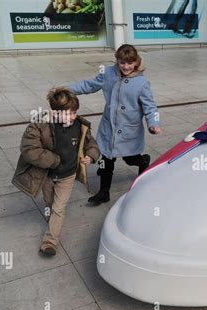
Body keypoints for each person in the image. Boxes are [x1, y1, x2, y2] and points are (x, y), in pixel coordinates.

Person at [68, 44, 162, 206]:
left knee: (130, 158)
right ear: (117, 61)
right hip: (109, 127)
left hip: (128, 130)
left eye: (130, 63)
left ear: (136, 62)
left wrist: (153, 123)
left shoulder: (142, 82)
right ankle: (104, 192)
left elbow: (150, 106)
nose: (126, 66)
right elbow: (89, 85)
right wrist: (66, 89)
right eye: (122, 63)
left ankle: (143, 161)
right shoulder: (108, 73)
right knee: (106, 159)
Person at [12, 87, 100, 256]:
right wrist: (54, 160)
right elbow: (29, 149)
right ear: (55, 112)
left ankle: (50, 241)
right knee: (50, 203)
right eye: (67, 113)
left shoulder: (80, 126)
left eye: (74, 112)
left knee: (58, 208)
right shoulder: (39, 125)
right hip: (47, 176)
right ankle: (52, 219)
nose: (71, 117)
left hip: (67, 175)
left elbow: (92, 144)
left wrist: (91, 156)